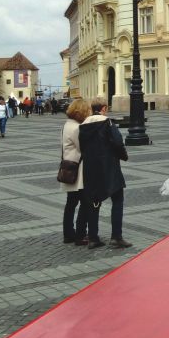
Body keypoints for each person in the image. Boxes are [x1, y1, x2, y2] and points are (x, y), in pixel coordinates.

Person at [79, 97, 132, 249]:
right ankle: (116, 236)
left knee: (94, 202)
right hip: (108, 166)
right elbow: (117, 142)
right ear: (104, 108)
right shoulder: (107, 122)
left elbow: (82, 147)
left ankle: (93, 237)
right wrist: (123, 156)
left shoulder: (83, 125)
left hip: (90, 168)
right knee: (117, 199)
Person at [60, 98, 91, 244]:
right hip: (77, 170)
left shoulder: (68, 124)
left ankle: (68, 233)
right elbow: (83, 147)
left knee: (71, 203)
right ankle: (80, 234)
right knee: (85, 202)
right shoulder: (76, 128)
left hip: (70, 165)